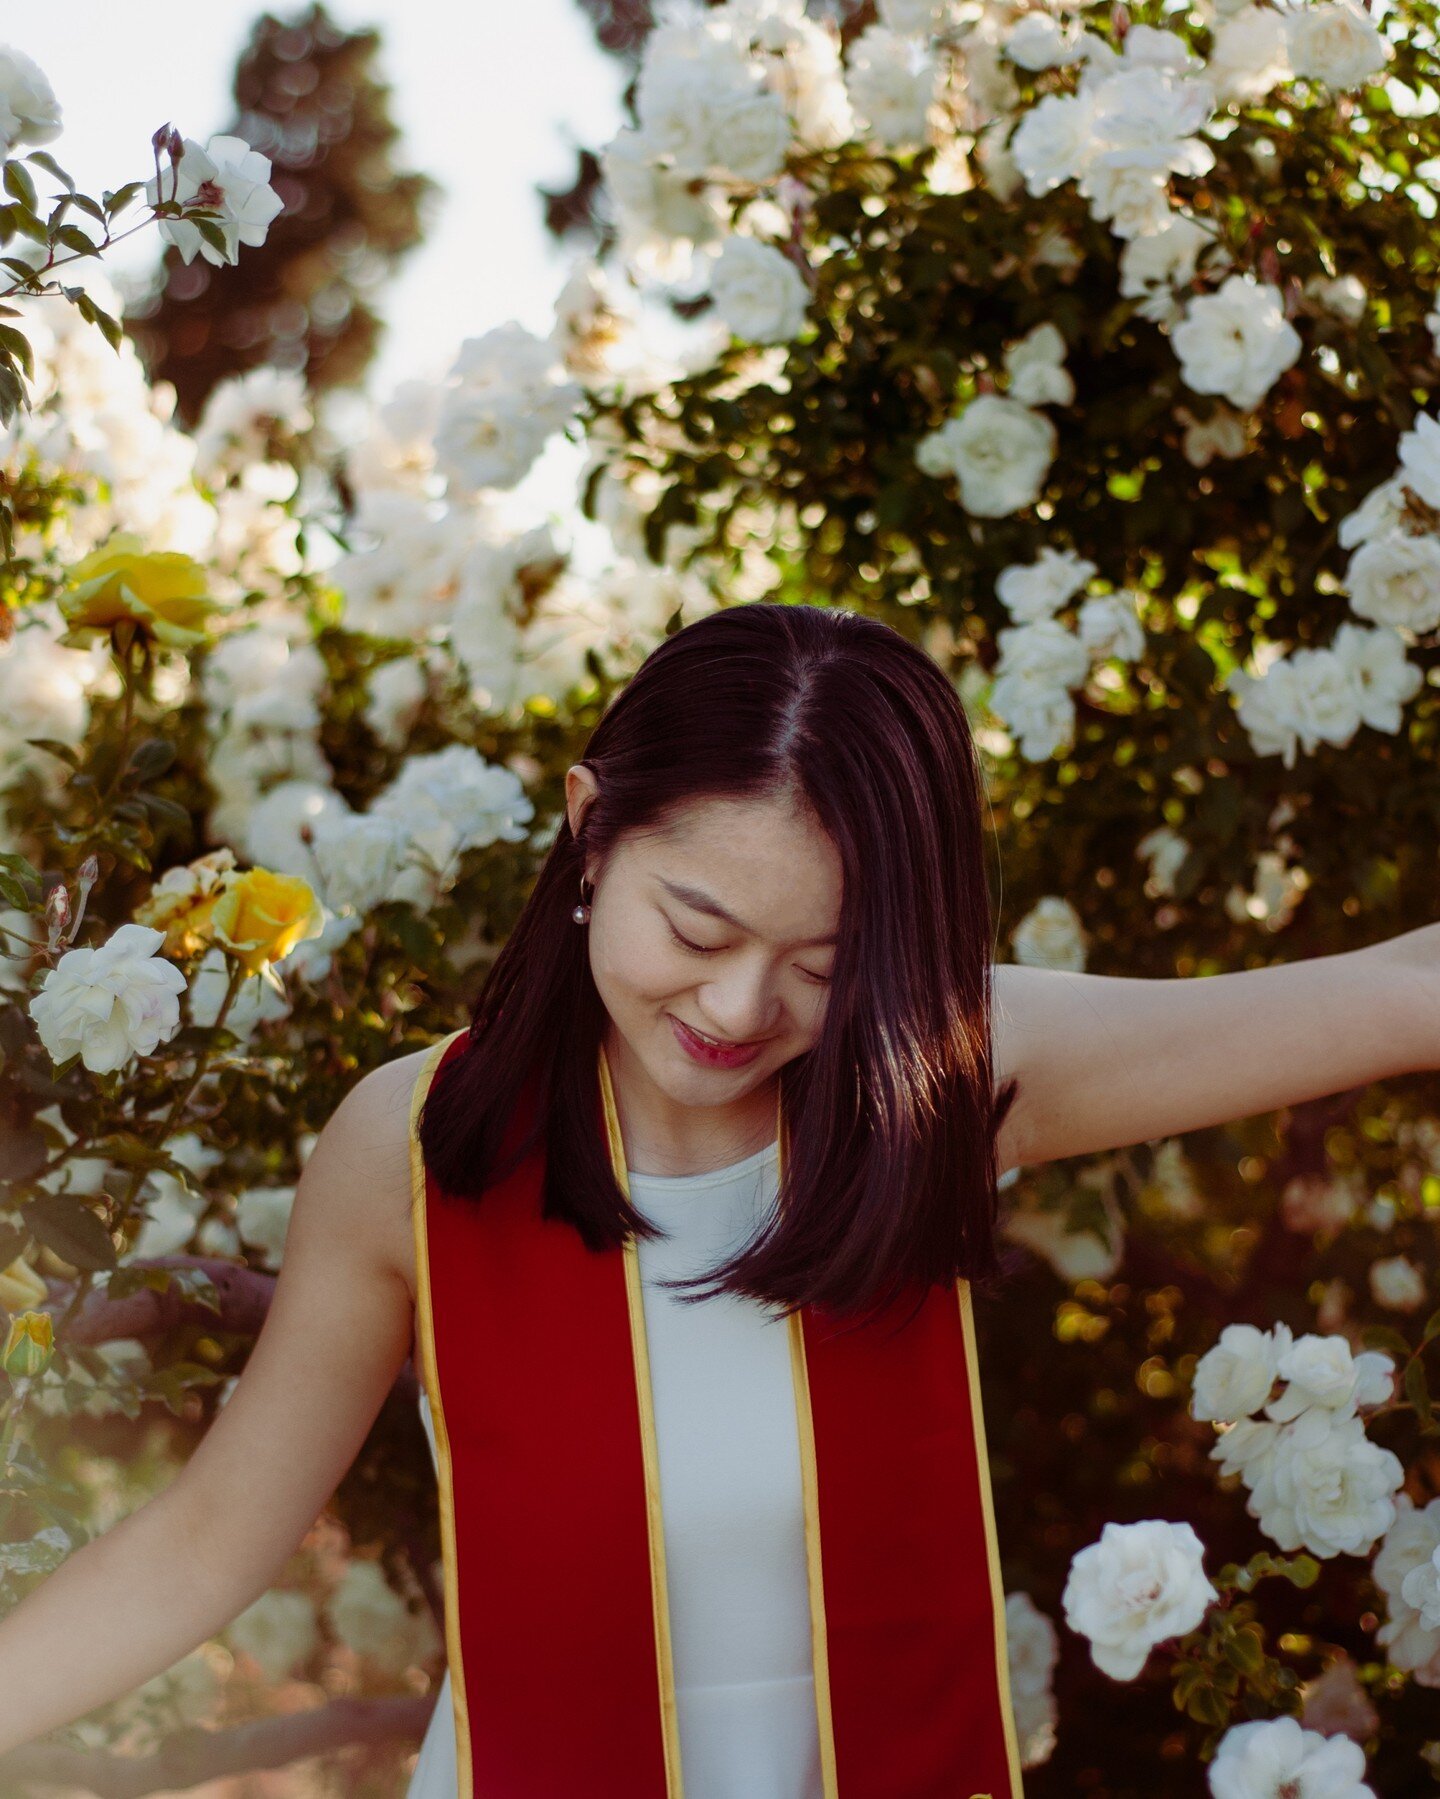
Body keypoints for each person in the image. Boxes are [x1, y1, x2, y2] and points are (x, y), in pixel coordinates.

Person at [0, 601, 1436, 1798]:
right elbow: (205, 1545)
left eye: (826, 959)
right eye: (696, 925)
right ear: (591, 834)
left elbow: (1392, 993)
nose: (741, 1007)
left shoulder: (943, 1076)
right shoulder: (419, 1148)